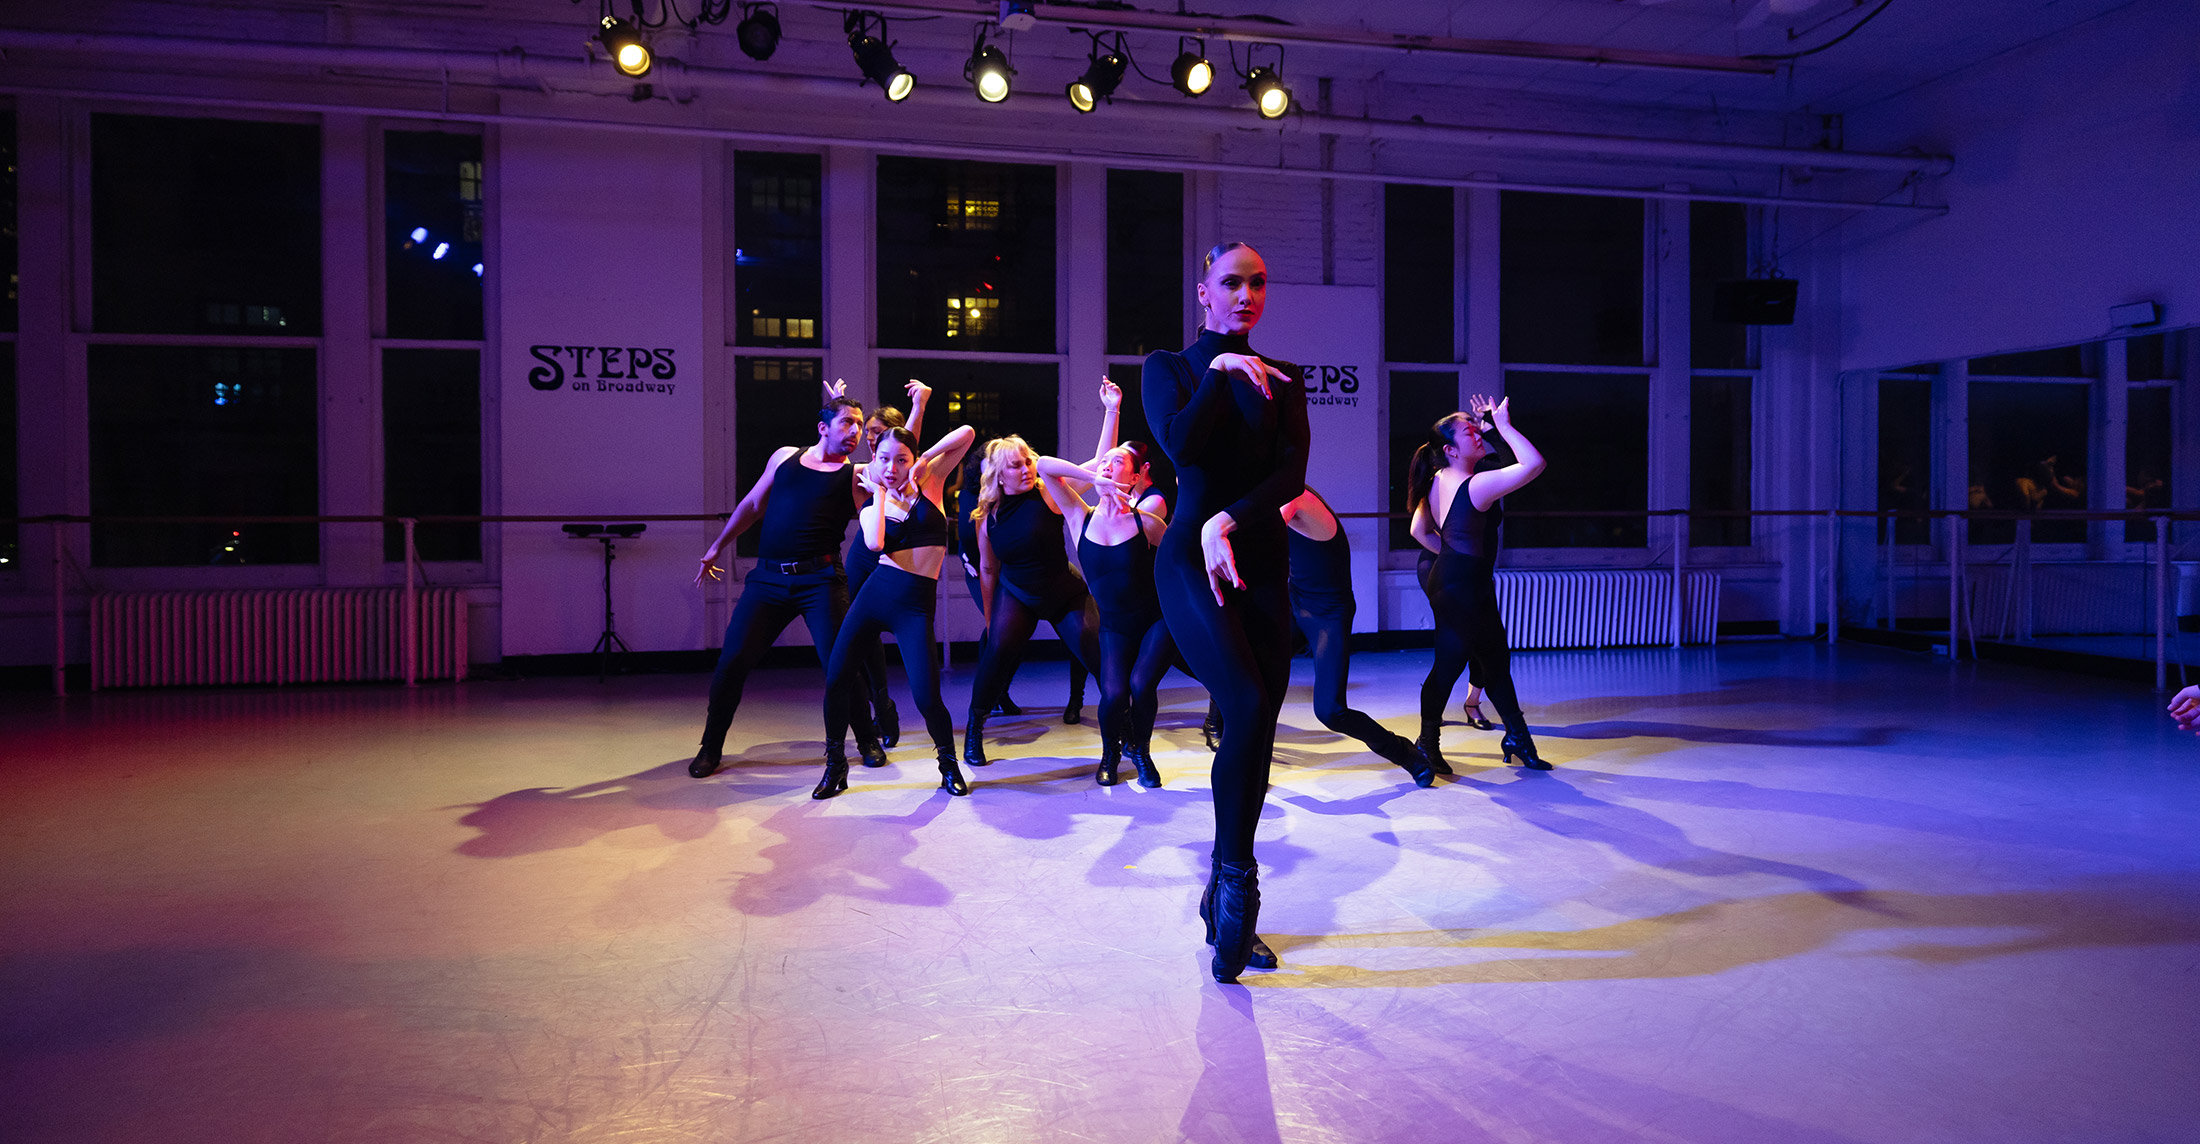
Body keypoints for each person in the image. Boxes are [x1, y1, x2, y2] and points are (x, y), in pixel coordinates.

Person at [1143, 241, 1307, 983]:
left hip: (1259, 560)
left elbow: (1291, 475)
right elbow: (1180, 445)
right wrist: (1218, 372)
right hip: (1189, 563)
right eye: (1232, 283)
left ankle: (1219, 884)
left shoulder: (1285, 377)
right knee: (1240, 702)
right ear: (1204, 291)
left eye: (1258, 283)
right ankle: (1239, 878)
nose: (1247, 295)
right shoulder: (1171, 368)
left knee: (1258, 722)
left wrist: (1228, 519)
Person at [690, 395, 880, 779]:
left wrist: (918, 407)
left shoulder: (856, 476)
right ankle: (710, 747)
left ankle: (866, 740)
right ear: (822, 428)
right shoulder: (785, 458)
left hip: (821, 580)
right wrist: (716, 547)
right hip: (769, 580)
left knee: (841, 664)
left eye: (860, 425)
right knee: (732, 661)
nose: (856, 431)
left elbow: (901, 460)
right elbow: (752, 505)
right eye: (847, 422)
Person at [816, 423, 978, 799]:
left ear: (913, 459)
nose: (892, 468)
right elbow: (875, 543)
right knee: (837, 680)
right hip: (876, 595)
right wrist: (880, 494)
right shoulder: (871, 498)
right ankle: (835, 765)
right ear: (874, 459)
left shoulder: (931, 482)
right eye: (884, 459)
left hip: (914, 606)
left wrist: (925, 459)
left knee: (926, 696)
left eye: (901, 459)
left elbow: (967, 434)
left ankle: (948, 765)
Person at [1035, 388, 1174, 787]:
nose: (1108, 467)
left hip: (1155, 621)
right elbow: (1044, 465)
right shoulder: (1080, 516)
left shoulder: (1147, 522)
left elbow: (1179, 564)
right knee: (1113, 695)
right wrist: (1110, 417)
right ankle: (1111, 752)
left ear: (1135, 477)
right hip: (1113, 626)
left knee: (1141, 686)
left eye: (1118, 464)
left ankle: (1141, 753)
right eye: (1104, 463)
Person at [1408, 395, 1549, 773]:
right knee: (1449, 665)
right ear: (1451, 450)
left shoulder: (1440, 477)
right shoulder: (1476, 486)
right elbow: (1534, 464)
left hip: (1467, 583)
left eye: (1476, 428)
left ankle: (1518, 738)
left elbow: (1419, 529)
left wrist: (1451, 555)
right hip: (1459, 588)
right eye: (1469, 431)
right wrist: (1503, 426)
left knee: (1496, 662)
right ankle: (1426, 743)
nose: (1477, 433)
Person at [961, 434, 1104, 768]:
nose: (1026, 469)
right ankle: (974, 727)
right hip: (1017, 592)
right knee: (996, 652)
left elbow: (1096, 467)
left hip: (1062, 590)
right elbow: (988, 569)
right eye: (1016, 465)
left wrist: (1112, 411)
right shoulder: (987, 513)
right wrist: (990, 619)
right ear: (999, 474)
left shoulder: (1048, 491)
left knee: (1095, 648)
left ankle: (1124, 729)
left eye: (1029, 461)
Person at [1280, 487, 1436, 785]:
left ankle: (1404, 752)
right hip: (1295, 603)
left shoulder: (1297, 498)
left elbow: (1263, 536)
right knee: (1250, 672)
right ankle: (1228, 735)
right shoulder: (1269, 497)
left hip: (1328, 616)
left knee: (1330, 711)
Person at [837, 378, 931, 750]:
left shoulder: (903, 468)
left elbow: (910, 439)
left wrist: (920, 405)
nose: (870, 437)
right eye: (868, 432)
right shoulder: (864, 469)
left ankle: (884, 707)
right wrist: (839, 407)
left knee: (878, 629)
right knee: (860, 631)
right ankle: (882, 704)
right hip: (863, 555)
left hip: (892, 555)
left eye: (877, 431)